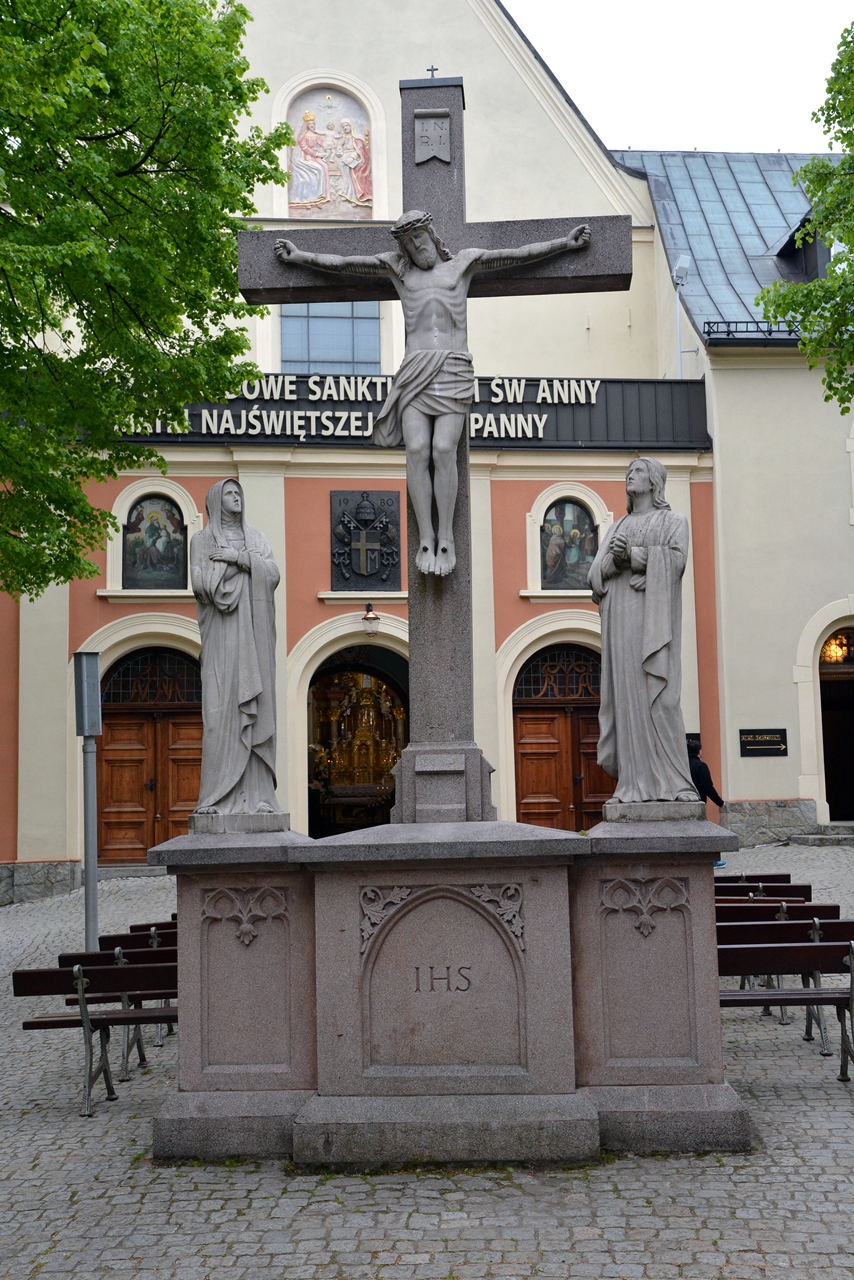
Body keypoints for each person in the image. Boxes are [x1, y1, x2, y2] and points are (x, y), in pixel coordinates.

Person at [275, 210, 591, 576]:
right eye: (409, 245)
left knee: (443, 449)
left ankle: (446, 537)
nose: (416, 248)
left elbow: (516, 255)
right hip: (415, 369)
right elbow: (345, 264)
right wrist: (300, 257)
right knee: (416, 449)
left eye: (420, 240)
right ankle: (426, 536)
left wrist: (563, 244)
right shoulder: (398, 270)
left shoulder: (463, 264)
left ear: (432, 236)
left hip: (453, 367)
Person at [587, 457, 699, 803]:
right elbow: (595, 577)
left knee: (662, 699)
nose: (629, 476)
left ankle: (675, 784)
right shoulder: (617, 527)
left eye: (637, 471)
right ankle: (633, 785)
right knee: (628, 699)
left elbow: (676, 562)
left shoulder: (673, 521)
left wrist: (634, 557)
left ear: (654, 482)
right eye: (628, 472)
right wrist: (615, 560)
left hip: (654, 622)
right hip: (621, 618)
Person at [190, 479, 283, 815]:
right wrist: (235, 569)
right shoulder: (201, 541)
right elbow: (201, 584)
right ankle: (215, 798)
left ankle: (259, 798)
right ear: (216, 500)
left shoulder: (257, 539)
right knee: (220, 713)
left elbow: (272, 575)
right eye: (229, 493)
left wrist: (239, 558)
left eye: (239, 493)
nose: (236, 497)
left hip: (254, 638)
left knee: (257, 709)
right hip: (223, 637)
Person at [686, 736, 727, 863]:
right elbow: (707, 787)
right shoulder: (701, 766)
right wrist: (720, 802)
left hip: (684, 802)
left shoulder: (683, 767)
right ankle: (709, 860)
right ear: (699, 751)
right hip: (699, 802)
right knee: (701, 832)